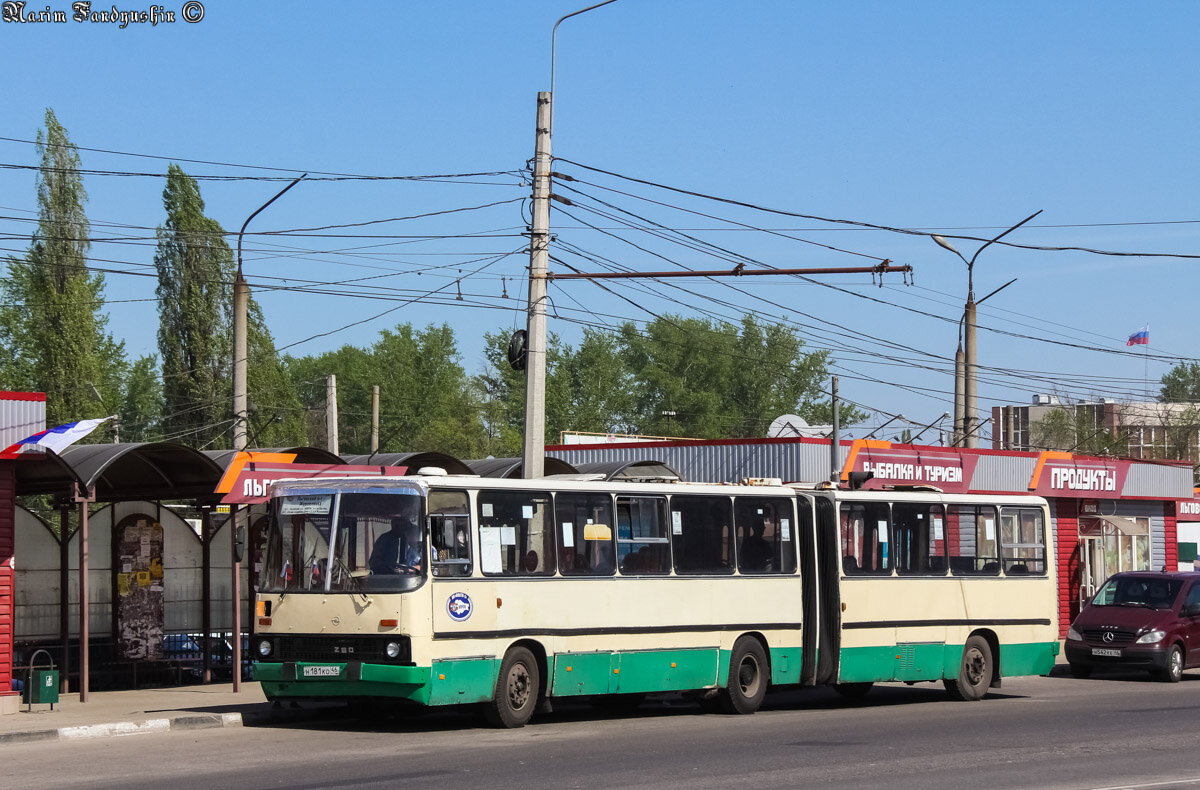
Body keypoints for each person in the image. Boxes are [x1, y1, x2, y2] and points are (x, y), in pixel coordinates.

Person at [370, 503, 423, 574]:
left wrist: (403, 569)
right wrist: (391, 568)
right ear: (395, 526)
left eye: (406, 530)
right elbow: (374, 562)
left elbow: (425, 567)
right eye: (402, 527)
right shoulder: (385, 539)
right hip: (382, 575)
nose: (404, 532)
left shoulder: (425, 548)